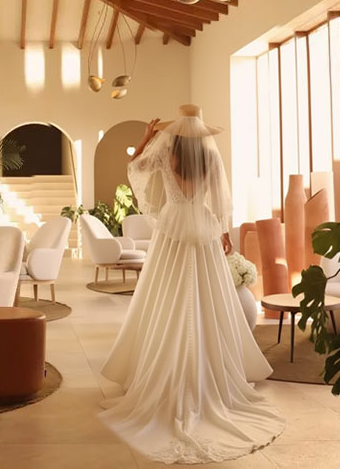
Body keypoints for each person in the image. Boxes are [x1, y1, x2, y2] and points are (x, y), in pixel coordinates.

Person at [98, 104, 284, 464]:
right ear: (202, 135)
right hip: (202, 226)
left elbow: (134, 166)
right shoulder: (211, 162)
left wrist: (146, 137)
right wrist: (225, 233)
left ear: (176, 135)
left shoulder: (167, 154)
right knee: (206, 297)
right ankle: (206, 372)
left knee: (163, 295)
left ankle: (162, 367)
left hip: (172, 228)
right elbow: (220, 201)